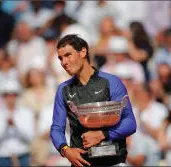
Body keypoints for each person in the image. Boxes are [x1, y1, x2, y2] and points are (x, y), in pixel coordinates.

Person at [50, 34, 137, 166]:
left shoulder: (111, 82)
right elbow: (56, 128)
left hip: (113, 162)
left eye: (68, 55)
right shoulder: (63, 90)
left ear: (83, 52)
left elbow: (130, 123)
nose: (64, 62)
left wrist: (103, 134)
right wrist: (65, 150)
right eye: (60, 58)